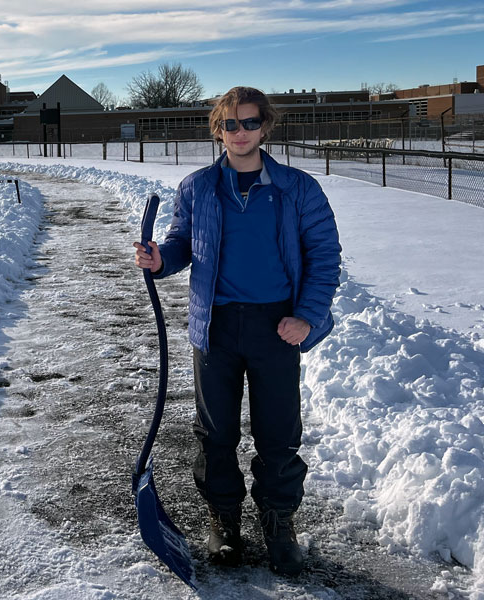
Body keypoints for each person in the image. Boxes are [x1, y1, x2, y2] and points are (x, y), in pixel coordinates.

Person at [133, 86, 341, 576]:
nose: (241, 132)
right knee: (215, 431)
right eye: (231, 123)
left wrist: (306, 317)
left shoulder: (298, 188)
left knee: (277, 431)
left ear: (265, 127)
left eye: (250, 123)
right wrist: (164, 258)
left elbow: (324, 257)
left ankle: (278, 522)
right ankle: (224, 520)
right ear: (218, 128)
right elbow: (184, 241)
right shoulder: (199, 187)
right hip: (218, 325)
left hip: (277, 325)